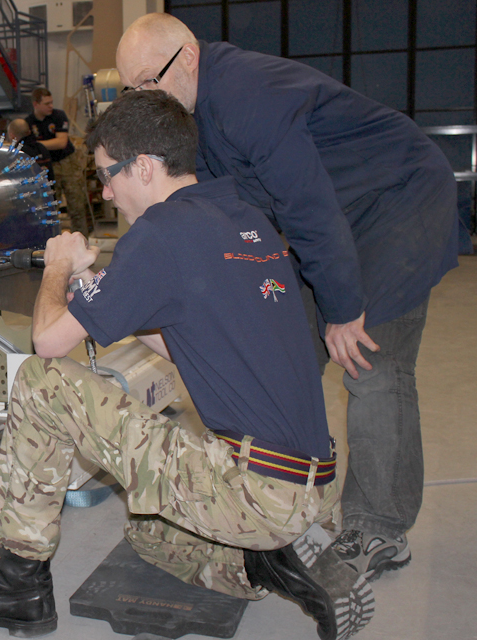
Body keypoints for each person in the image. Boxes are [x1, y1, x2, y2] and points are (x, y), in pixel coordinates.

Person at [0, 90, 374, 640]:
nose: (107, 191)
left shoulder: (158, 232)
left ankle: (19, 578)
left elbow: (46, 342)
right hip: (311, 480)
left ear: (143, 166)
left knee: (41, 382)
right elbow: (184, 334)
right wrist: (98, 292)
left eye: (108, 175)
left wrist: (59, 266)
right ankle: (271, 562)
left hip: (253, 484)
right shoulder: (242, 219)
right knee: (147, 534)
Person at [115, 13, 461, 582]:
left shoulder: (249, 96)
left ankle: (378, 528)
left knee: (368, 359)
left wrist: (344, 310)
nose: (143, 97)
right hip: (338, 217)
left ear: (190, 57)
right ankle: (276, 496)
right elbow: (203, 214)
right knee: (285, 343)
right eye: (132, 88)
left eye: (150, 80)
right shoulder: (188, 121)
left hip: (397, 199)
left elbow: (308, 208)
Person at [26, 88, 93, 236]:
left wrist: (38, 145)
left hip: (68, 164)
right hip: (47, 168)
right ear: (36, 104)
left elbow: (61, 142)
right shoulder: (29, 122)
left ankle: (82, 245)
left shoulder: (58, 116)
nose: (50, 106)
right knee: (50, 208)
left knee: (77, 208)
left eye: (51, 102)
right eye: (46, 103)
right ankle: (52, 243)